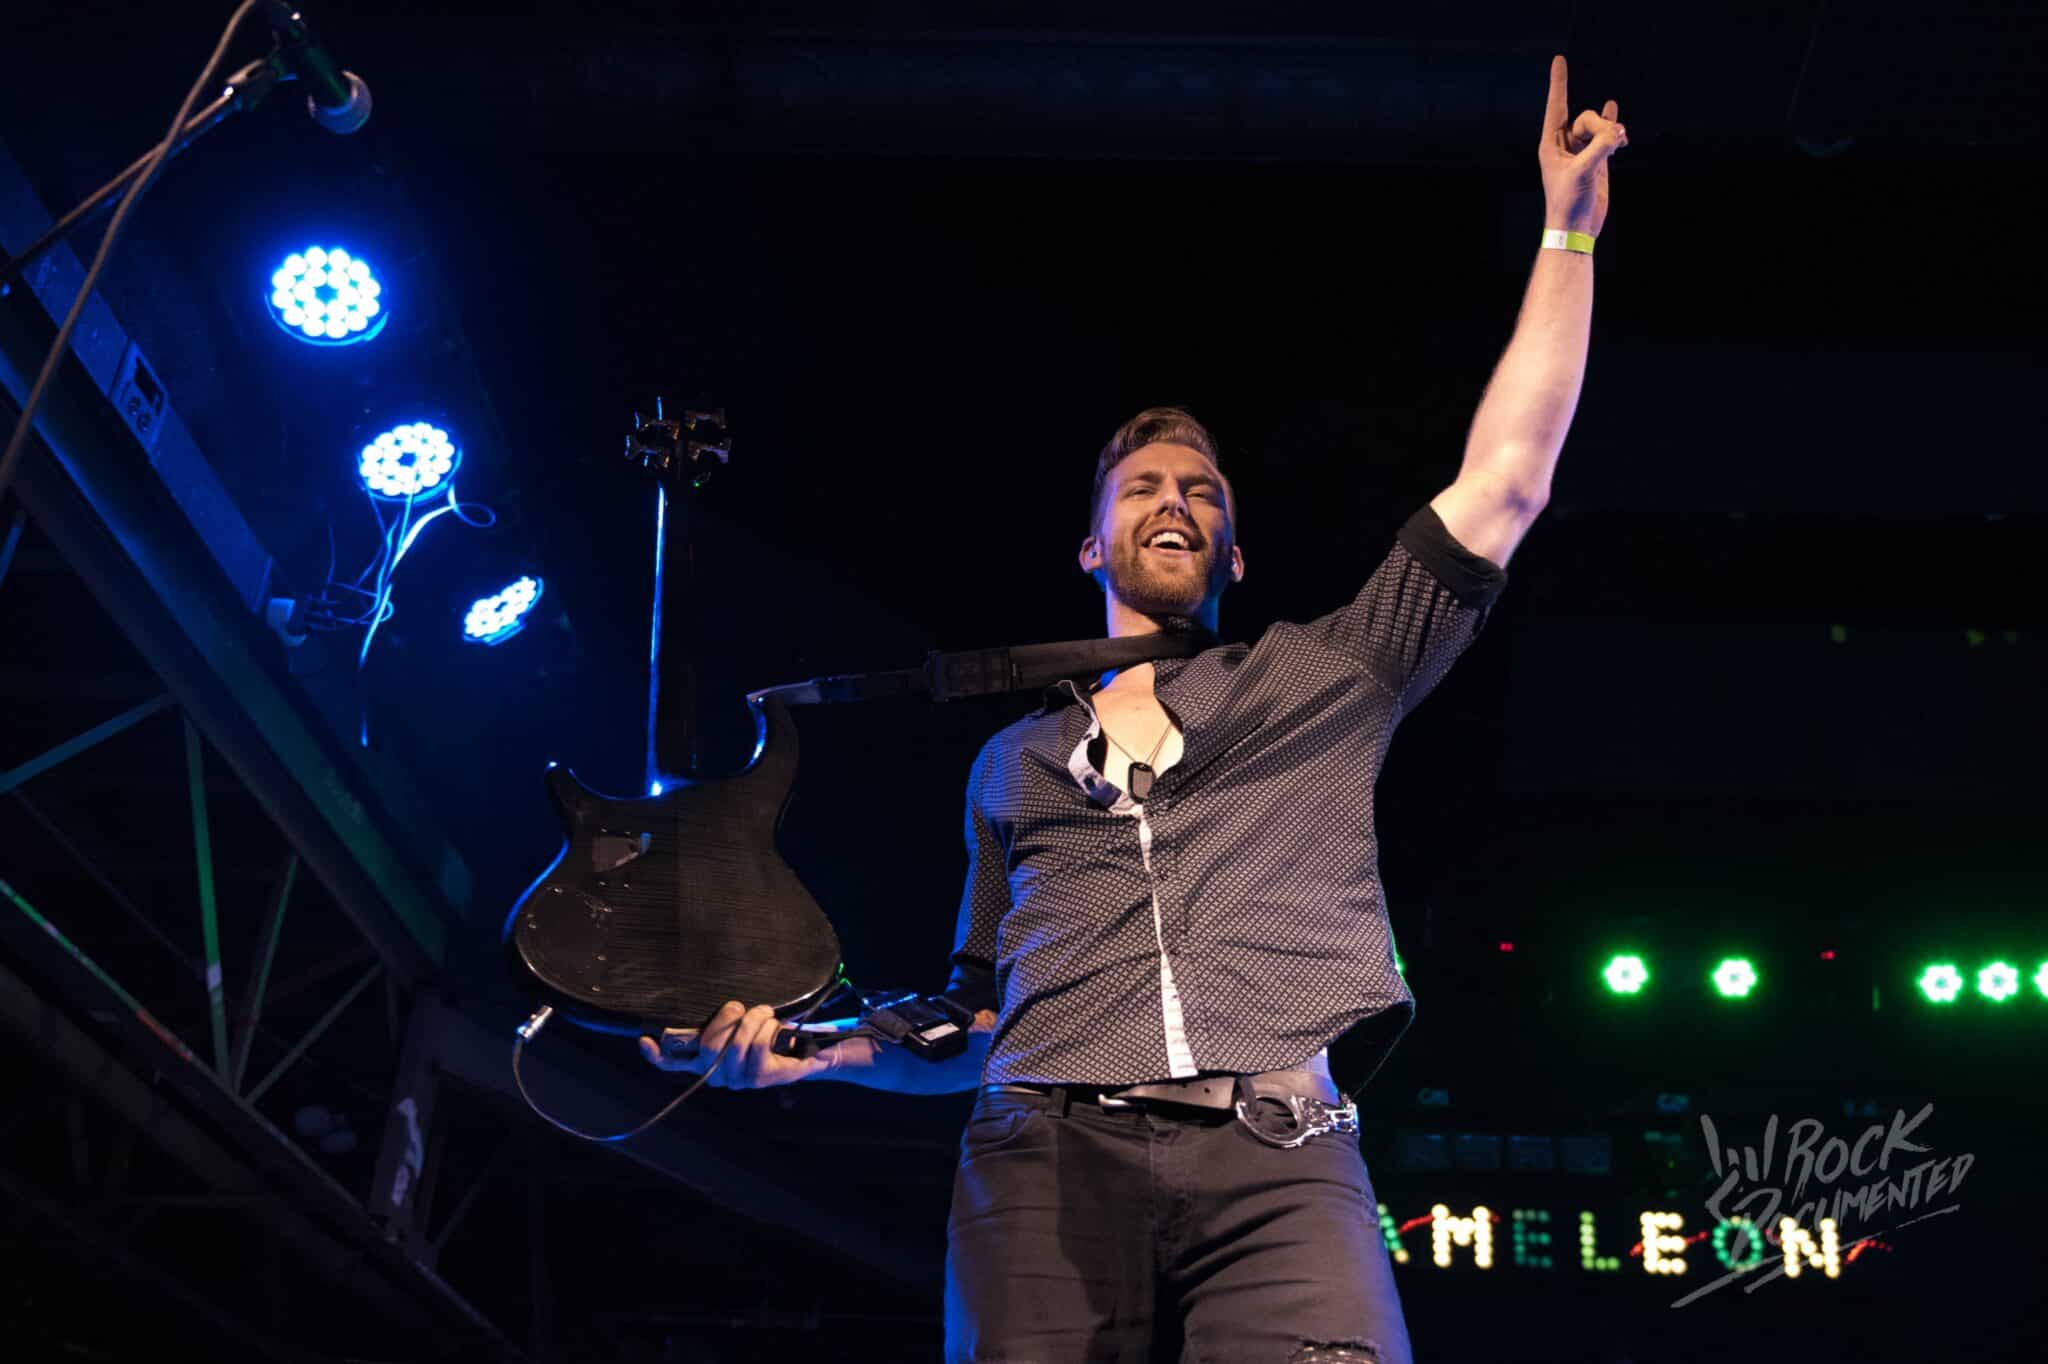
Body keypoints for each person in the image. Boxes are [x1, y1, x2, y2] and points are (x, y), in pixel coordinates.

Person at [642, 55, 1626, 1364]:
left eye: (1204, 493)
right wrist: (807, 1056)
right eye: (1146, 488)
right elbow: (974, 1020)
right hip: (1040, 1151)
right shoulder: (1010, 762)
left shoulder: (1329, 677)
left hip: (1283, 1150)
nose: (1176, 500)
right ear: (1093, 547)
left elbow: (1507, 480)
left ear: (1234, 555)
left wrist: (1568, 232)